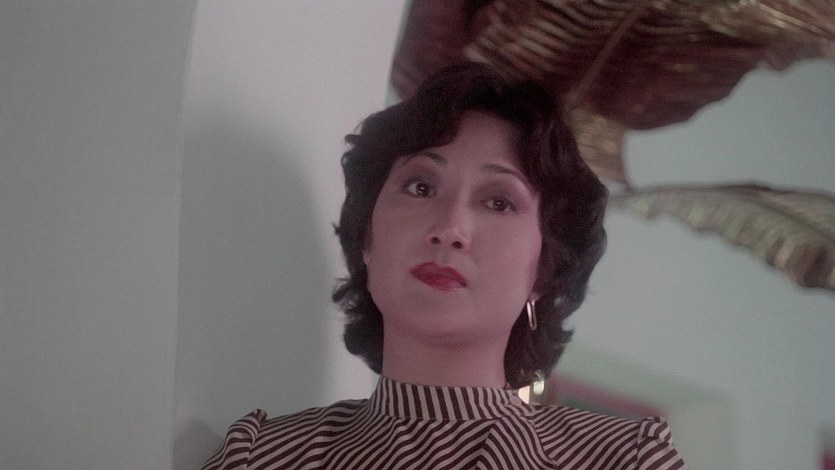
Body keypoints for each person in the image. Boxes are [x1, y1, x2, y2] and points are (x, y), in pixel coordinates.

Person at [201, 62, 686, 469]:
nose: (450, 227)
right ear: (367, 237)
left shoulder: (619, 461)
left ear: (545, 269)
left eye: (498, 202)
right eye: (421, 187)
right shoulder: (262, 458)